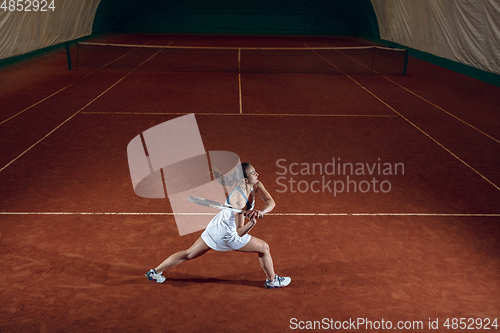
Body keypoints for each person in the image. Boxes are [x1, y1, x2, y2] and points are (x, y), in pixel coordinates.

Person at [145, 162, 291, 289]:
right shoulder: (239, 200)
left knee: (189, 254)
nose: (257, 174)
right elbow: (239, 232)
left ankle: (155, 272)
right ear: (245, 179)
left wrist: (261, 211)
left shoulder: (256, 185)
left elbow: (270, 201)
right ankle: (272, 281)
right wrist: (252, 222)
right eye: (253, 173)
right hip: (228, 235)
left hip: (216, 227)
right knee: (264, 248)